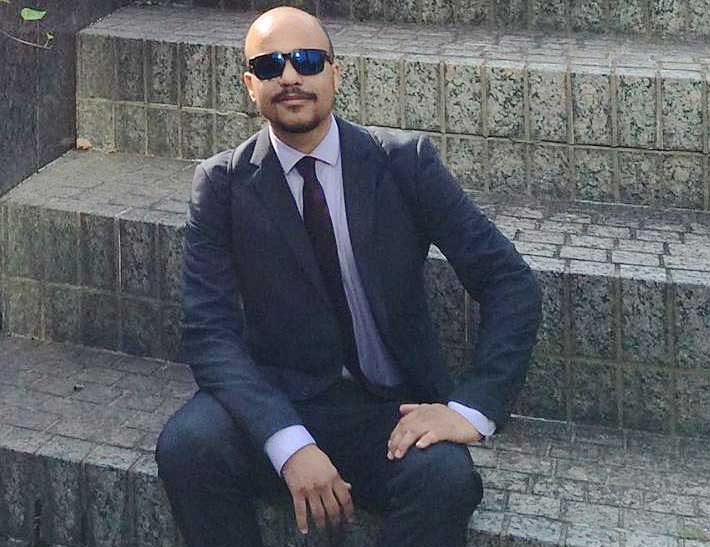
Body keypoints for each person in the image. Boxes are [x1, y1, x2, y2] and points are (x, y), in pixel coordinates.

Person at [155, 6, 541, 547]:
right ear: (250, 86)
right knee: (188, 447)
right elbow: (209, 332)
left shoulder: (405, 163)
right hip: (278, 399)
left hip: (388, 410)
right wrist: (290, 443)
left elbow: (508, 281)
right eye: (270, 66)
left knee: (446, 483)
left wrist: (471, 410)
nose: (290, 76)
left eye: (308, 61)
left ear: (336, 73)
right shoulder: (221, 184)